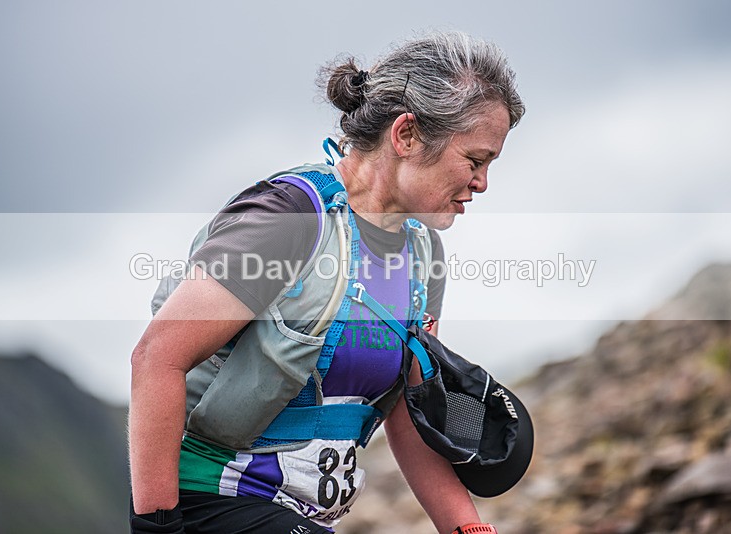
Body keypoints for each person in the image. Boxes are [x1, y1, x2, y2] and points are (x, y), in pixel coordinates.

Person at [129, 31, 525, 534]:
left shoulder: (423, 255)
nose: (482, 183)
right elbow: (156, 356)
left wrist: (469, 529)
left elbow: (409, 413)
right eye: (475, 160)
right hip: (210, 500)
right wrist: (157, 525)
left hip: (301, 518)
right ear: (406, 136)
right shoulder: (289, 219)